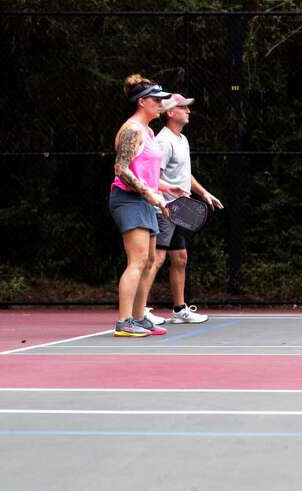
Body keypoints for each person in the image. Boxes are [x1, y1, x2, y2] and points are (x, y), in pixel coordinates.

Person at [108, 74, 186, 337]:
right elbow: (121, 170)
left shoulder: (149, 131)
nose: (160, 104)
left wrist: (164, 188)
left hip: (145, 199)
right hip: (128, 200)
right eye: (157, 100)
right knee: (138, 260)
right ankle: (124, 322)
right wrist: (149, 194)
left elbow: (144, 171)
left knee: (151, 259)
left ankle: (140, 318)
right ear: (143, 102)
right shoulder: (131, 130)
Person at [140, 93, 224, 325]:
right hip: (164, 209)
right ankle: (141, 311)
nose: (188, 111)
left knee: (180, 258)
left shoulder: (182, 140)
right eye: (183, 108)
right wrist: (162, 203)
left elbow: (184, 175)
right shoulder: (163, 142)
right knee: (156, 258)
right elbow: (152, 178)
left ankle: (179, 309)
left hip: (180, 209)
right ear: (170, 113)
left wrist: (204, 193)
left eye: (188, 107)